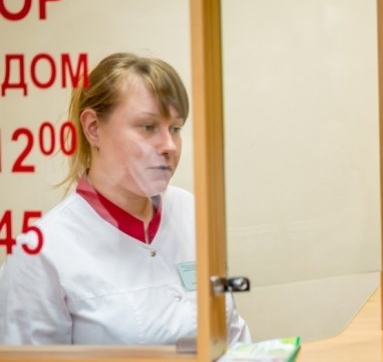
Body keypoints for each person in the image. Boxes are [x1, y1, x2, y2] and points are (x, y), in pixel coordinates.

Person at [0, 52, 251, 346]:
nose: (169, 146)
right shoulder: (42, 253)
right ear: (93, 128)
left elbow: (233, 338)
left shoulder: (193, 212)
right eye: (148, 127)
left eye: (175, 128)